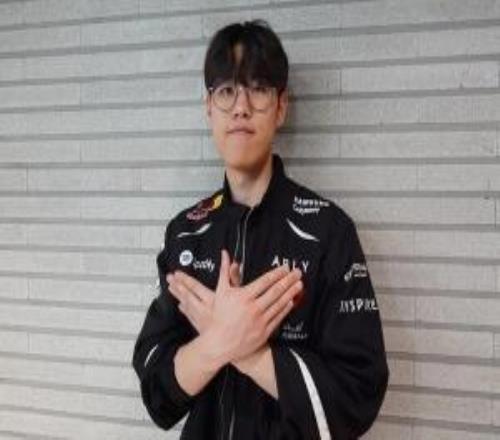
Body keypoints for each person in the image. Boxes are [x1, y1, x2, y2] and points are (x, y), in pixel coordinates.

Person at [132, 19, 389, 440]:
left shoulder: (329, 231)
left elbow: (358, 394)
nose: (241, 107)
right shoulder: (185, 233)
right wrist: (219, 342)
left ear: (281, 106)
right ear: (208, 107)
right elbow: (158, 394)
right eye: (226, 90)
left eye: (258, 88)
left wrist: (251, 354)